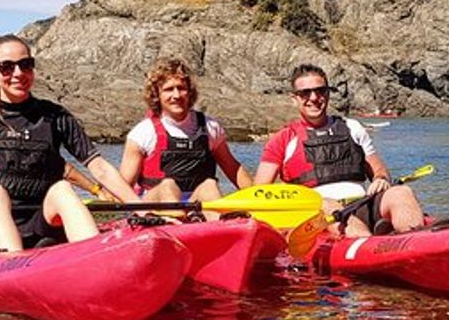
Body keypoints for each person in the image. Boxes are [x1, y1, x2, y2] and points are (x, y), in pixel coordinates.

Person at [0, 35, 138, 251]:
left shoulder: (55, 116)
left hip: (38, 221)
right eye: (6, 67)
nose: (18, 73)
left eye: (25, 65)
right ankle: (13, 260)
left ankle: (94, 255)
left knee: (62, 189)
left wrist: (139, 206)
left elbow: (99, 167)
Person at [254, 63, 424, 237]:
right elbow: (258, 194)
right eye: (305, 93)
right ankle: (366, 244)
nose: (314, 97)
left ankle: (417, 241)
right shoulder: (282, 140)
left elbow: (379, 170)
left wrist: (380, 179)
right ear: (295, 98)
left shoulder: (353, 127)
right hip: (318, 216)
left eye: (320, 91)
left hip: (362, 205)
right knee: (326, 204)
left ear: (328, 93)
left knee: (401, 192)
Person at [118, 58, 253, 210]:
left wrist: (258, 197)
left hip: (196, 203)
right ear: (157, 95)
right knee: (168, 186)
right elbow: (123, 187)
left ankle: (215, 220)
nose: (176, 95)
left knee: (209, 185)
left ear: (189, 92)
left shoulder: (211, 127)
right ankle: (175, 218)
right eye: (169, 89)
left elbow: (233, 169)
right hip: (156, 205)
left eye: (181, 88)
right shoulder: (142, 133)